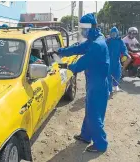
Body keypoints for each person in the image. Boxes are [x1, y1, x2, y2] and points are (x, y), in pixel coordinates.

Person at [58, 13, 109, 152]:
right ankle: (86, 136)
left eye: (83, 29)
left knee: (94, 114)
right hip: (93, 81)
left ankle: (101, 144)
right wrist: (62, 51)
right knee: (90, 111)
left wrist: (65, 66)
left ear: (92, 27)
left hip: (98, 84)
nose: (82, 32)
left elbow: (80, 64)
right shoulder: (95, 39)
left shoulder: (97, 45)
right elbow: (79, 48)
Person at [106, 27, 131, 93]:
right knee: (108, 75)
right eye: (112, 33)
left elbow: (124, 49)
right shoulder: (108, 41)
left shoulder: (120, 41)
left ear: (117, 33)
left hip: (116, 61)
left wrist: (125, 54)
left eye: (114, 33)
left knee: (117, 74)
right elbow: (103, 48)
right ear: (110, 33)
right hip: (108, 61)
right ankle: (109, 89)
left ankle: (115, 86)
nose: (113, 35)